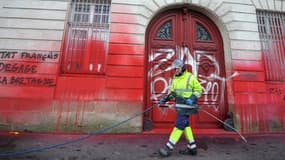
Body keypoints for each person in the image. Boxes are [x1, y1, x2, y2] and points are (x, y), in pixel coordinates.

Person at [158, 58, 203, 157]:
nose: (176, 70)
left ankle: (168, 147)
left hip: (188, 107)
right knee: (185, 125)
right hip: (180, 107)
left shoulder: (190, 77)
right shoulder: (175, 79)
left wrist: (192, 98)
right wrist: (164, 99)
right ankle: (193, 147)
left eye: (178, 68)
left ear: (183, 67)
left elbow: (199, 90)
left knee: (179, 124)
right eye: (175, 69)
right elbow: (173, 93)